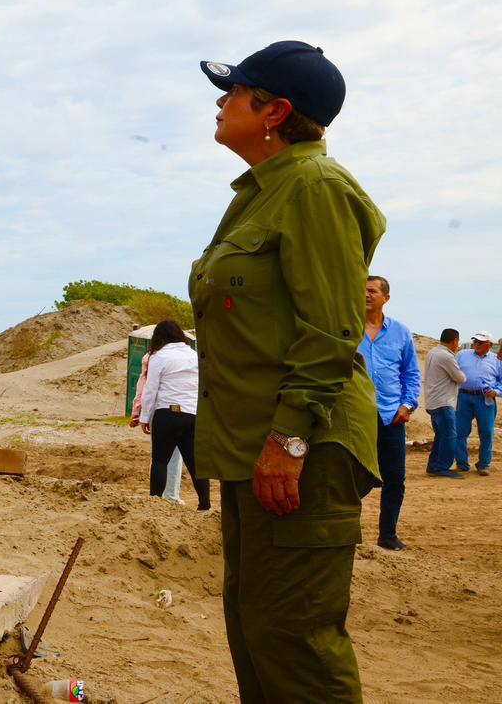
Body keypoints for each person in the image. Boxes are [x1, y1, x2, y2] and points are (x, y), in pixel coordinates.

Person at [190, 41, 384, 702]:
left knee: (295, 639)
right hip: (257, 449)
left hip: (304, 448)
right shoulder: (262, 194)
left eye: (235, 91)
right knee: (258, 629)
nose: (220, 101)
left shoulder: (315, 188)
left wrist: (290, 439)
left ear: (275, 111)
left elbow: (331, 328)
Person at [358, 276, 421, 551]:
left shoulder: (401, 333)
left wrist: (407, 405)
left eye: (371, 290)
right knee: (349, 478)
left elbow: (411, 373)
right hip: (355, 417)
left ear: (386, 297)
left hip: (390, 418)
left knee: (394, 479)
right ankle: (348, 535)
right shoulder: (346, 328)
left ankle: (388, 535)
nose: (366, 295)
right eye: (362, 290)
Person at [138, 320, 210, 510]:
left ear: (159, 337)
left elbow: (151, 389)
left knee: (160, 460)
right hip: (192, 413)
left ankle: (155, 503)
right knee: (195, 463)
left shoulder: (159, 356)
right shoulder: (193, 355)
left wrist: (145, 417)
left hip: (167, 413)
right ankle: (205, 505)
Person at [131, 350, 184, 503]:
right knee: (175, 455)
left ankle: (156, 497)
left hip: (158, 410)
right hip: (180, 409)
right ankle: (171, 496)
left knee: (158, 456)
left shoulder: (150, 356)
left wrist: (137, 411)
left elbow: (144, 385)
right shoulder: (186, 356)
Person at [454, 331, 499, 476]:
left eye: (480, 342)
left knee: (486, 432)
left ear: (490, 345)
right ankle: (462, 464)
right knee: (460, 432)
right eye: (475, 341)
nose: (476, 344)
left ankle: (484, 464)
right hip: (463, 398)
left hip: (485, 400)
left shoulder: (497, 360)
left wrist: (496, 391)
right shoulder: (462, 355)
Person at [423, 328, 466, 477]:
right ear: (454, 341)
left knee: (441, 435)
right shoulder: (446, 356)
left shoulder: (433, 352)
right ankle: (442, 467)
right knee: (449, 436)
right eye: (458, 341)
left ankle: (434, 466)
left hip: (433, 400)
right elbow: (461, 378)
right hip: (444, 401)